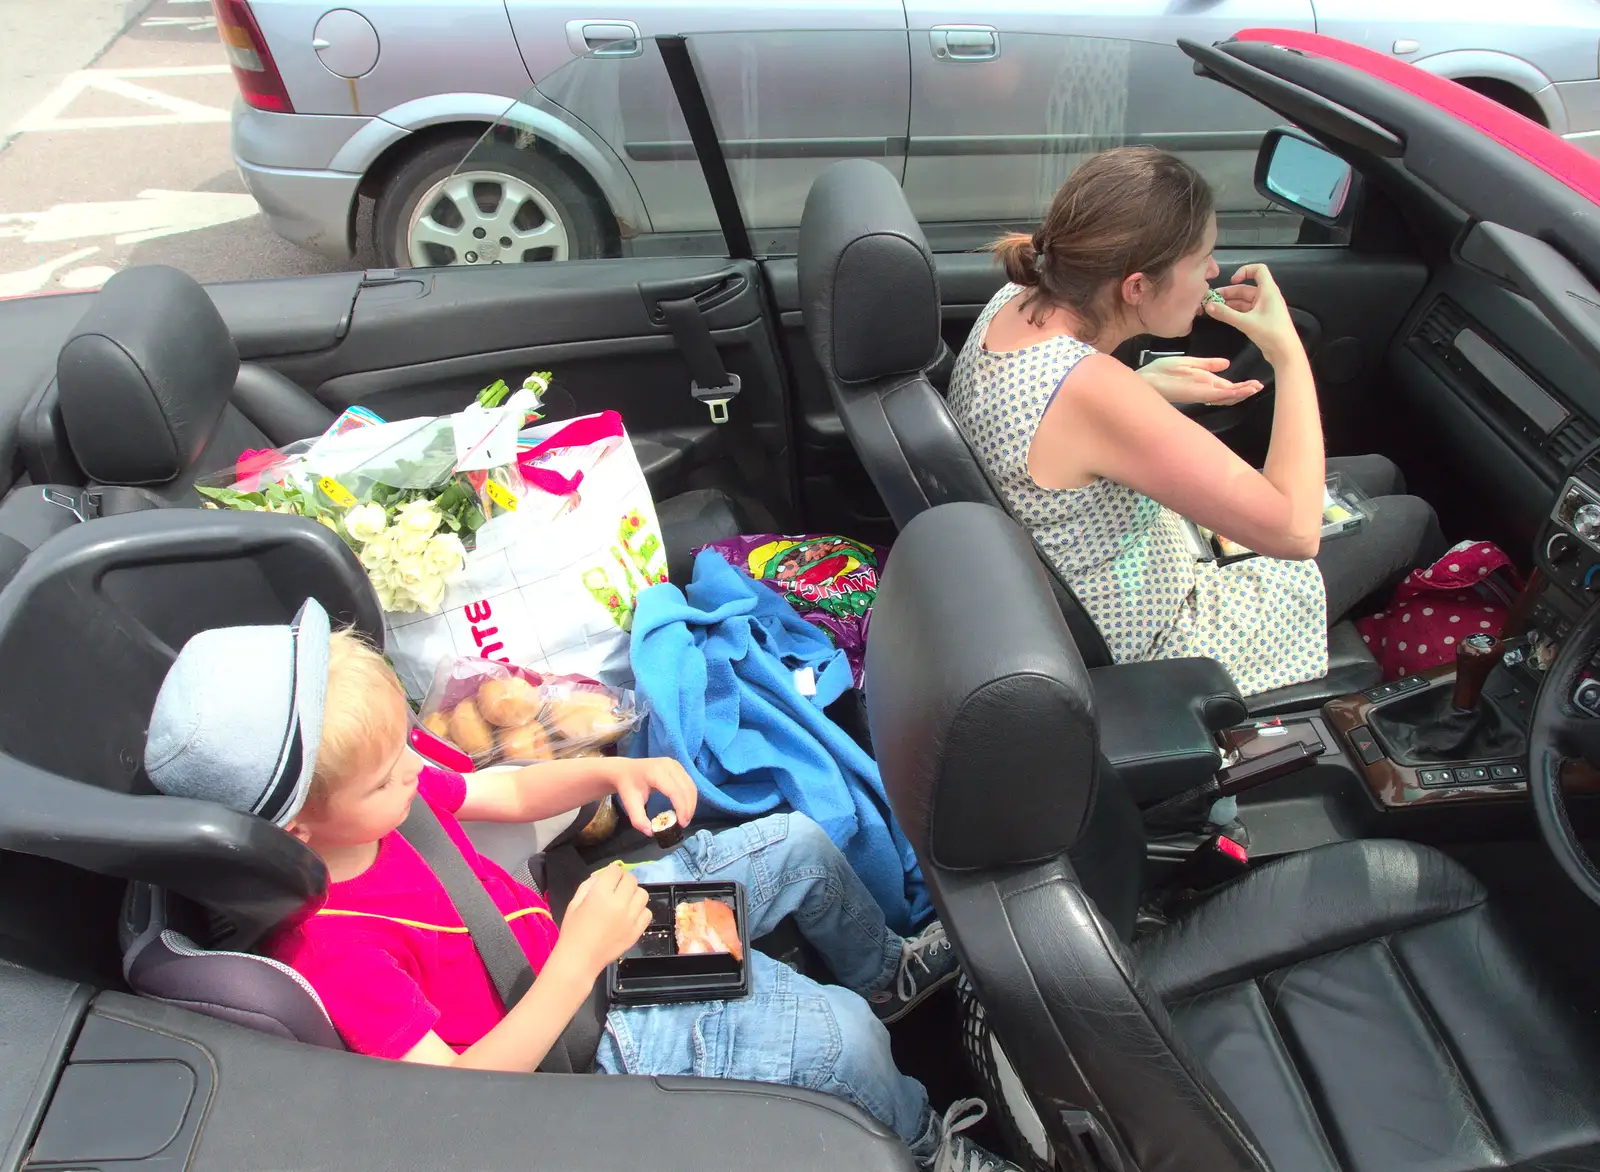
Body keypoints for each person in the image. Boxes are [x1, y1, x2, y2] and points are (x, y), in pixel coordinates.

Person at [142, 599, 1019, 1172]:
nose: (411, 774)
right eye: (382, 777)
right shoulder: (333, 949)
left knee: (792, 844)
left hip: (595, 949)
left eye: (403, 750)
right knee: (840, 1041)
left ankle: (884, 968)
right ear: (296, 826)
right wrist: (580, 957)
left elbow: (510, 790)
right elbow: (454, 1100)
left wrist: (611, 777)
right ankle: (928, 1146)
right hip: (596, 1035)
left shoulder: (389, 800)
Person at [946, 146, 1440, 696]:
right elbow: (1295, 533)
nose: (1213, 272)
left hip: (1125, 558)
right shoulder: (1093, 390)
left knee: (1380, 473)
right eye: (1201, 258)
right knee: (1410, 518)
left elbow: (1050, 426)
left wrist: (1140, 387)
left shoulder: (1016, 298)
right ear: (1136, 287)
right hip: (1162, 626)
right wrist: (1288, 353)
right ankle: (1421, 676)